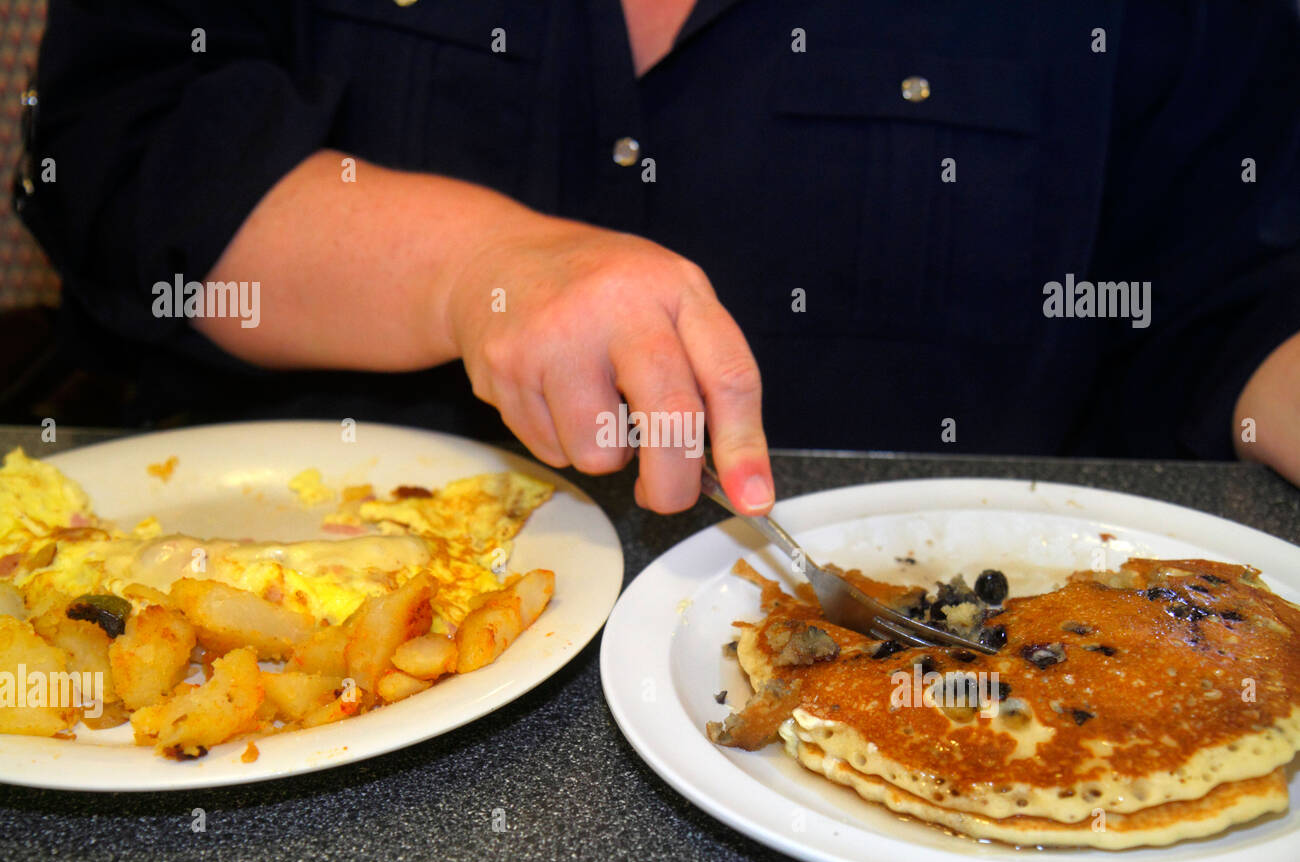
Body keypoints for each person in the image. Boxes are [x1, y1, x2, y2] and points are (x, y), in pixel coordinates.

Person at [16, 1, 1300, 515]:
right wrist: (478, 266)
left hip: (949, 706)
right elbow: (122, 144)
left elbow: (1220, 292)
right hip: (251, 645)